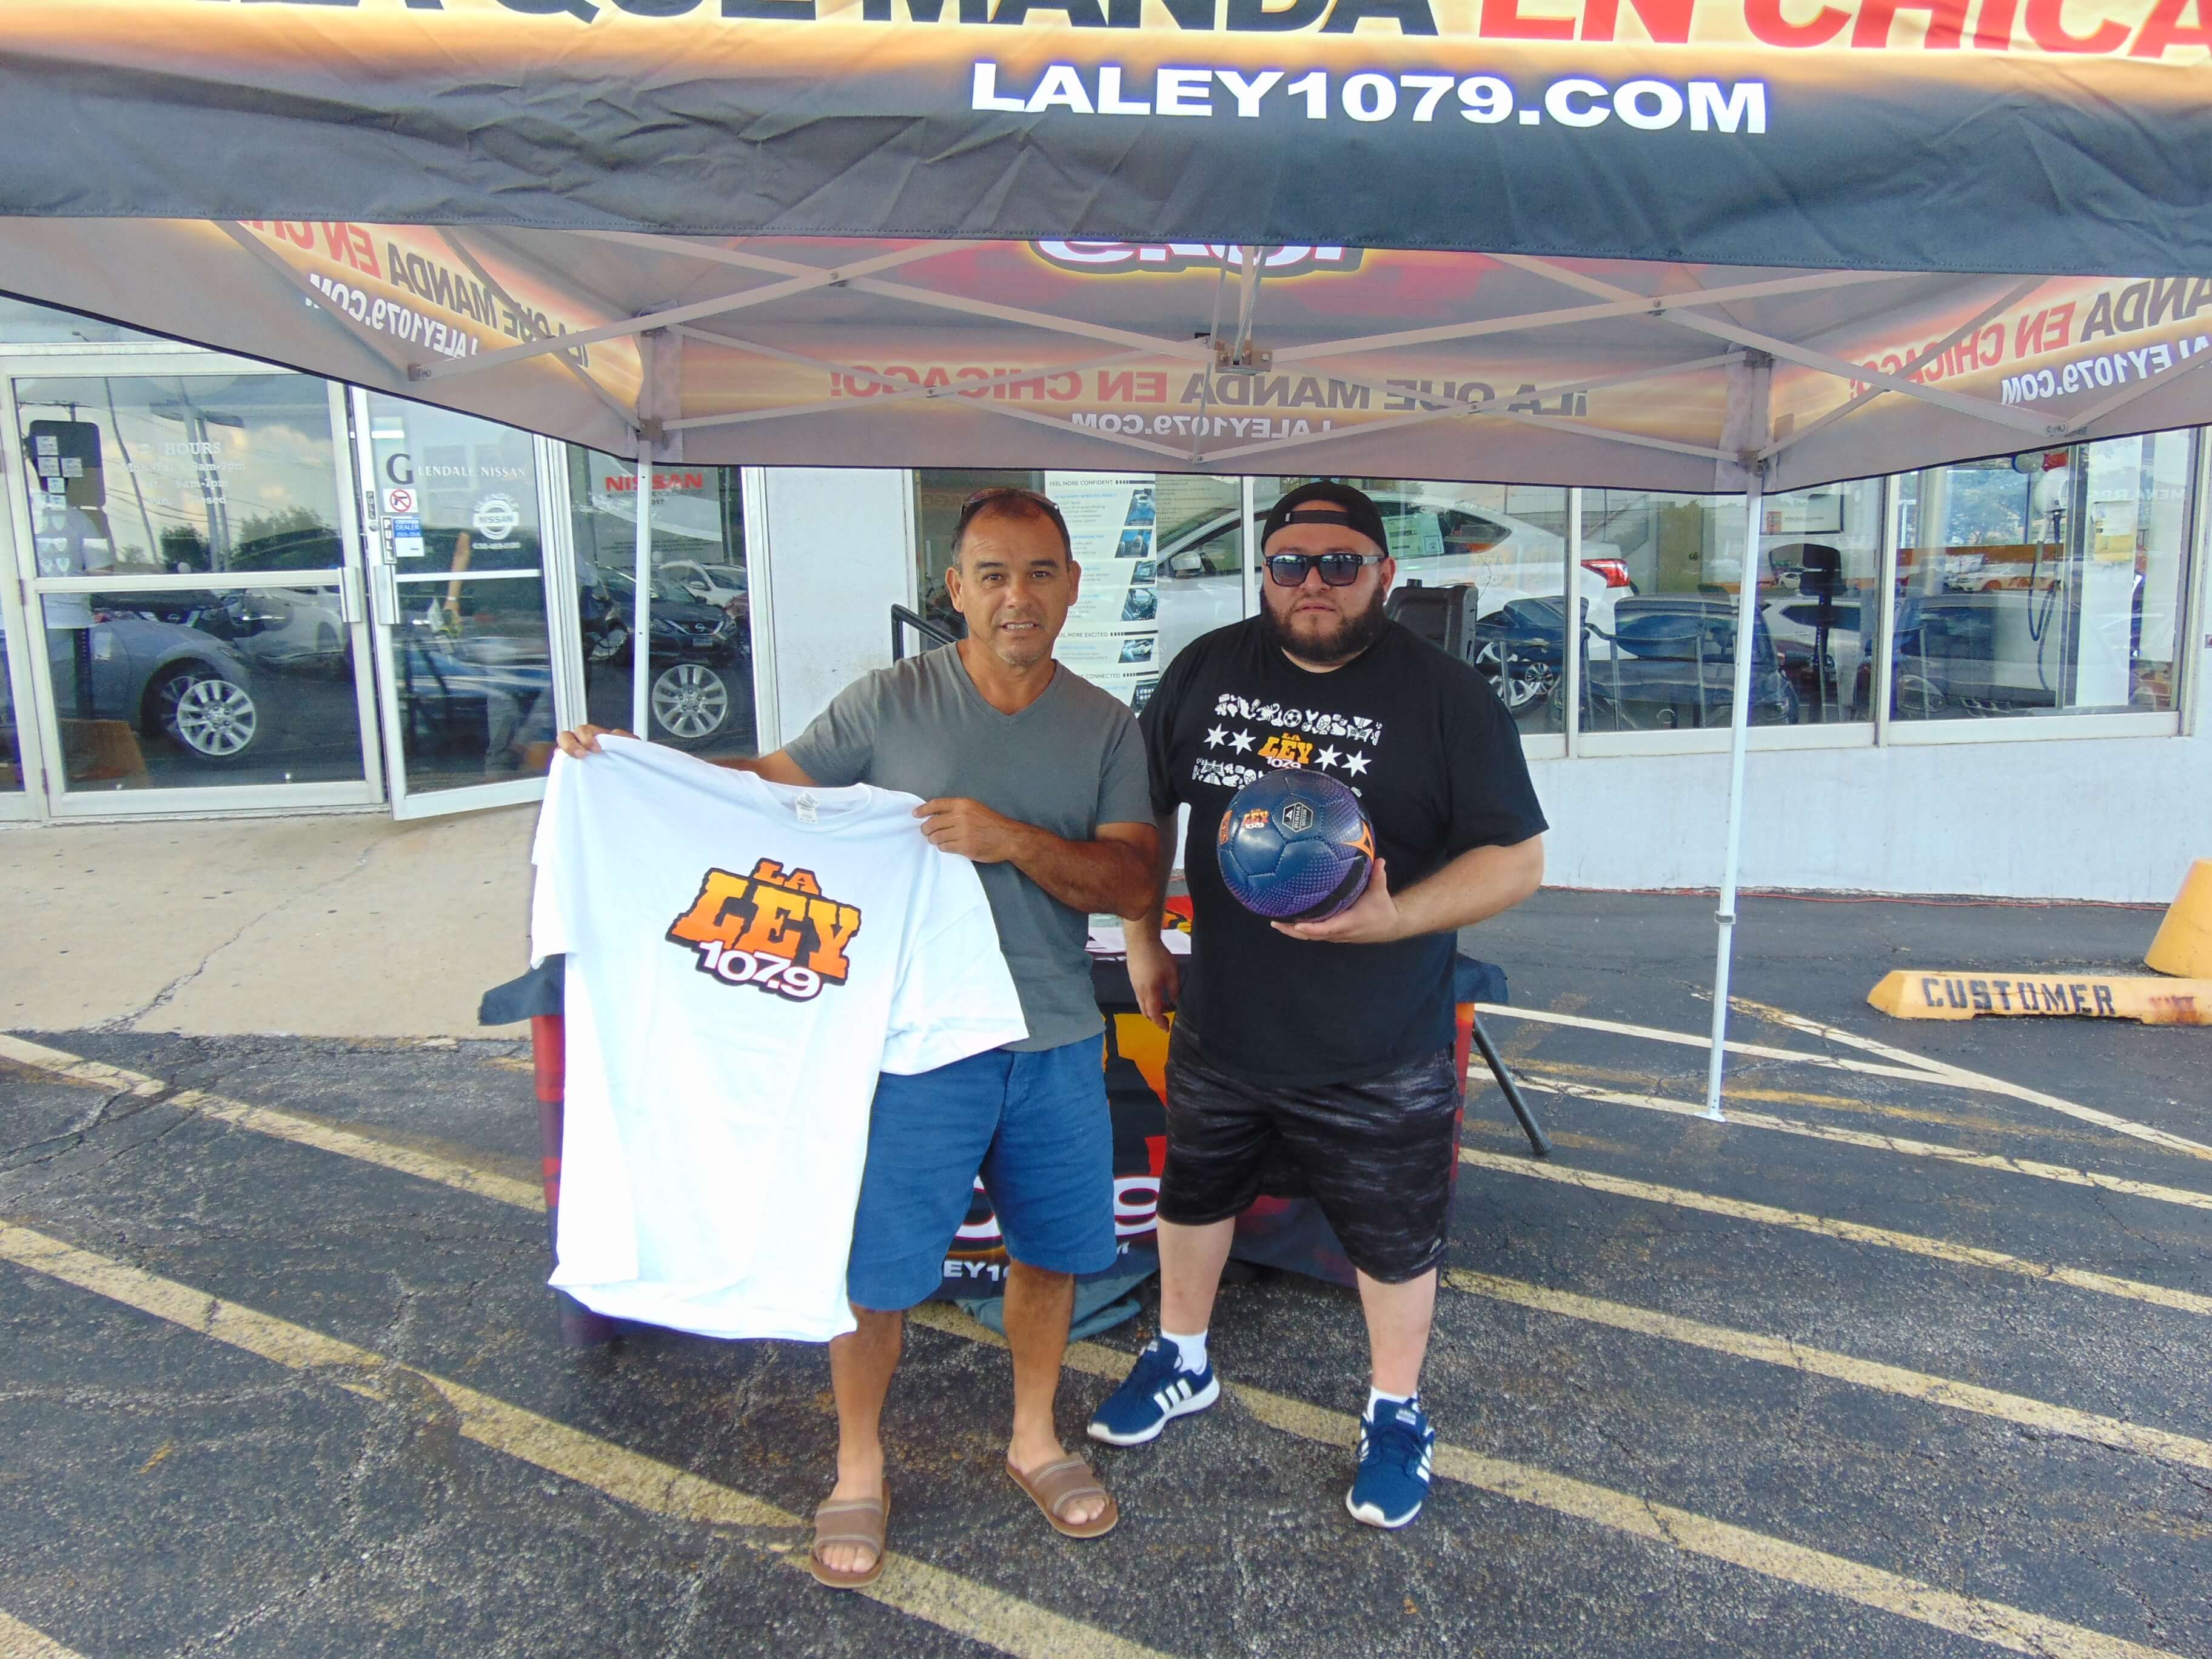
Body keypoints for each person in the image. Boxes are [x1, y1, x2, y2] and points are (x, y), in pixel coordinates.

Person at [557, 486, 1158, 1586]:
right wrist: (638, 765)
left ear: (1073, 585)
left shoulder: (1107, 727)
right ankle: (857, 1465)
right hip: (909, 1048)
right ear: (956, 589)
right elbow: (767, 794)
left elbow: (1131, 880)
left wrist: (1014, 841)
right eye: (992, 575)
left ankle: (1035, 1439)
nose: (1017, 597)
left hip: (1057, 1039)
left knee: (1050, 1257)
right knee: (875, 1275)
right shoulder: (890, 701)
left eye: (1039, 573)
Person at [1088, 480, 1546, 1530]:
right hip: (1226, 1022)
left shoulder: (1445, 696)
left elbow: (1517, 860)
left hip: (1379, 1041)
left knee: (1393, 1240)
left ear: (1384, 573)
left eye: (1341, 564)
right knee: (1194, 1197)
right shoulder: (1208, 668)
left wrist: (1396, 919)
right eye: (1290, 564)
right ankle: (1183, 1358)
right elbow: (1147, 811)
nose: (1314, 584)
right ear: (1264, 575)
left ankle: (1396, 1412)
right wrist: (1144, 935)